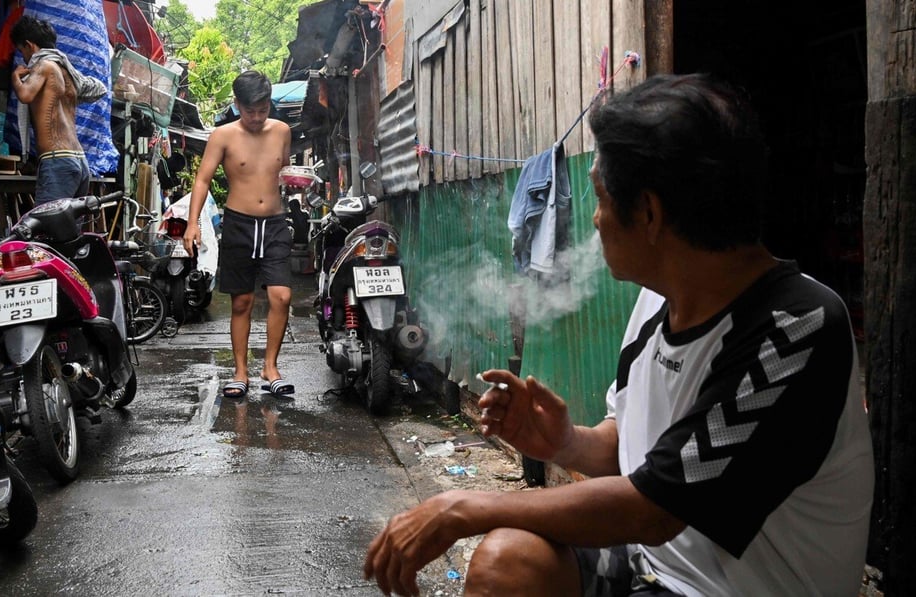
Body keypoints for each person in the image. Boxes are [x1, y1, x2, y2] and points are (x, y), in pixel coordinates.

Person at [364, 73, 874, 596]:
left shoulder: (795, 328)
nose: (595, 217)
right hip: (647, 569)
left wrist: (460, 507)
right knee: (507, 563)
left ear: (649, 214)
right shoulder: (660, 298)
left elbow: (653, 510)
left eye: (602, 198)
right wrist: (566, 443)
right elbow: (633, 451)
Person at [182, 71, 294, 399]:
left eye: (263, 109)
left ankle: (270, 367)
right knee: (242, 301)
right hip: (238, 223)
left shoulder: (282, 131)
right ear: (237, 105)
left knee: (281, 296)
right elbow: (202, 180)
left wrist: (295, 181)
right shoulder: (223, 136)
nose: (257, 117)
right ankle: (241, 371)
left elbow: (284, 170)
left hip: (274, 223)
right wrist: (193, 224)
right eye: (250, 111)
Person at [9, 16, 106, 205]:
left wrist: (15, 76)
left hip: (58, 161)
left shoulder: (44, 66)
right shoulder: (68, 74)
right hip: (79, 161)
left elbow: (25, 95)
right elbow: (100, 89)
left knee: (48, 228)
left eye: (22, 51)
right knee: (69, 232)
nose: (23, 58)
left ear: (30, 45)